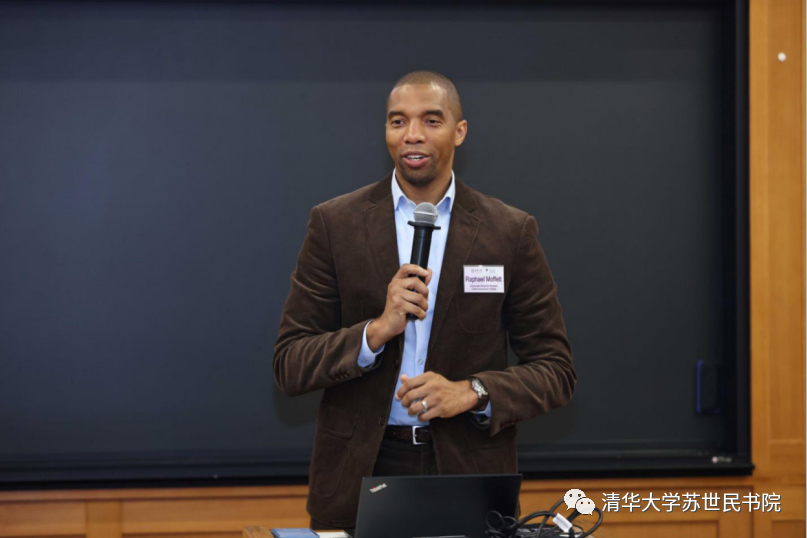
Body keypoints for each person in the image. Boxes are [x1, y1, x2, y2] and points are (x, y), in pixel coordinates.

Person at [274, 70, 576, 529]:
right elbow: (290, 364)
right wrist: (376, 331)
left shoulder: (508, 231)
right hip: (359, 474)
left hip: (469, 474)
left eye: (431, 121)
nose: (412, 135)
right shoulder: (336, 224)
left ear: (460, 131)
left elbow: (556, 371)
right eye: (398, 121)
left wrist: (472, 392)